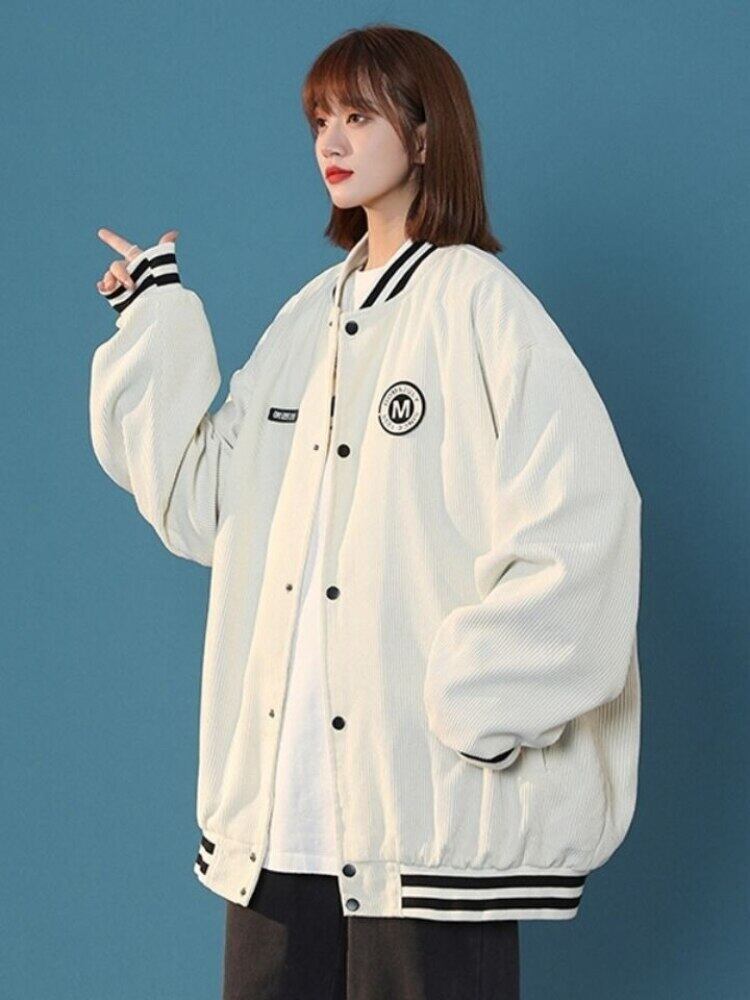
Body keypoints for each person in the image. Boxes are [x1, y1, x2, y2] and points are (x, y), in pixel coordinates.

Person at [90, 22, 642, 1000]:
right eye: (319, 120)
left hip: (424, 818)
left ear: (425, 135)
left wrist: (472, 702)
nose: (331, 143)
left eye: (358, 116)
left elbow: (585, 523)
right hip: (280, 817)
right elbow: (207, 504)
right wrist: (156, 322)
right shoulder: (307, 318)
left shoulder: (482, 305)